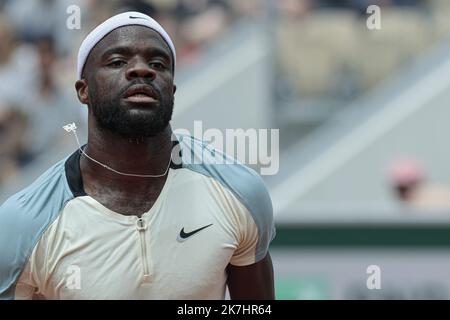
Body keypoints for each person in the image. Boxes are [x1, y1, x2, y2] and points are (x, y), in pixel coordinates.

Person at [0, 11, 275, 300]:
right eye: (117, 62)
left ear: (172, 89)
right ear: (84, 91)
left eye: (157, 63)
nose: (142, 70)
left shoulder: (240, 191)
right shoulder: (24, 223)